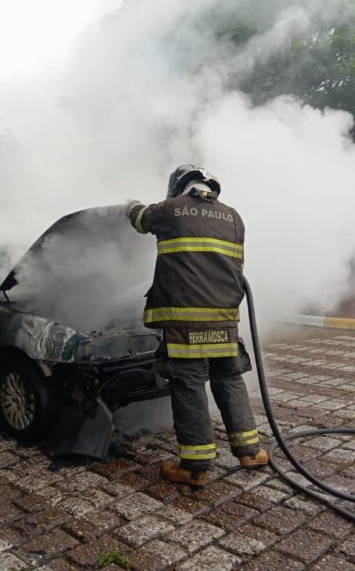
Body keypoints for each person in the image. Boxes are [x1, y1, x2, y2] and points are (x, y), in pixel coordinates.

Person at [126, 165, 267, 488]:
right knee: (228, 379)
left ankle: (195, 467)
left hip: (186, 321)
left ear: (178, 186)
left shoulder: (170, 210)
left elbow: (139, 219)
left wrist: (128, 203)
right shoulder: (233, 217)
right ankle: (250, 452)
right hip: (225, 319)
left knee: (189, 386)